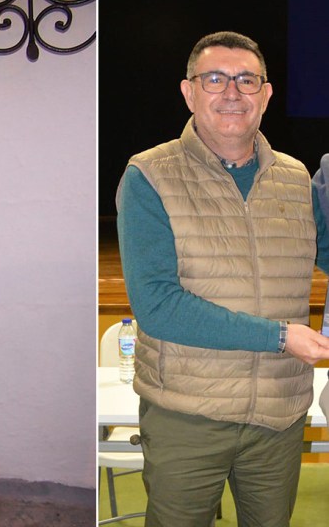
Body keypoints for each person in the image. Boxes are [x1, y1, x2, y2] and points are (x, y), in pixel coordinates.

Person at [116, 31, 329, 526]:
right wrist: (279, 337)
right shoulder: (149, 174)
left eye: (246, 80)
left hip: (279, 414)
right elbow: (157, 306)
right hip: (187, 417)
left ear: (267, 94)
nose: (232, 92)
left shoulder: (298, 179)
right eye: (215, 79)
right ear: (189, 92)